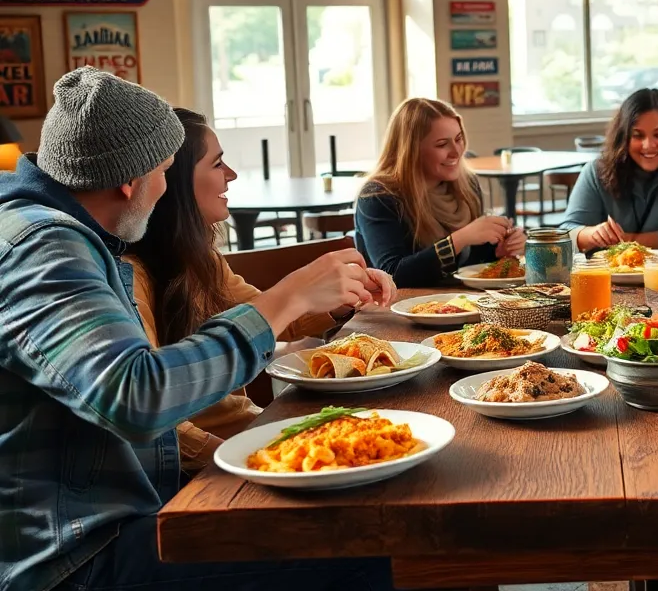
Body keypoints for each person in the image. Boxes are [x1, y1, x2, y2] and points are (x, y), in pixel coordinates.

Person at [0, 68, 393, 591]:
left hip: (115, 522)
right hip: (79, 557)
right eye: (164, 171)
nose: (164, 191)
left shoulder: (64, 236)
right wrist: (287, 297)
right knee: (370, 542)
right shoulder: (44, 246)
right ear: (130, 179)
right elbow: (135, 394)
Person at [126, 108, 396, 472]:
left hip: (253, 432)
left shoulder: (201, 258)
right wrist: (251, 461)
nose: (232, 175)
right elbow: (156, 423)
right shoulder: (132, 277)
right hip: (217, 462)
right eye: (218, 163)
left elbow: (266, 318)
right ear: (171, 179)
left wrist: (342, 298)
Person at [356, 98, 525, 287]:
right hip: (396, 309)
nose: (456, 152)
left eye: (459, 139)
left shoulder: (468, 184)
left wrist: (499, 249)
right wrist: (459, 239)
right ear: (411, 150)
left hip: (457, 302)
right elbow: (393, 274)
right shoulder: (378, 196)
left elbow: (467, 265)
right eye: (442, 144)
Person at [561, 88, 658, 253]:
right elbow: (565, 235)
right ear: (624, 135)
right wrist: (591, 234)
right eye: (638, 136)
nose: (648, 145)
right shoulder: (596, 170)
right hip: (609, 276)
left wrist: (618, 242)